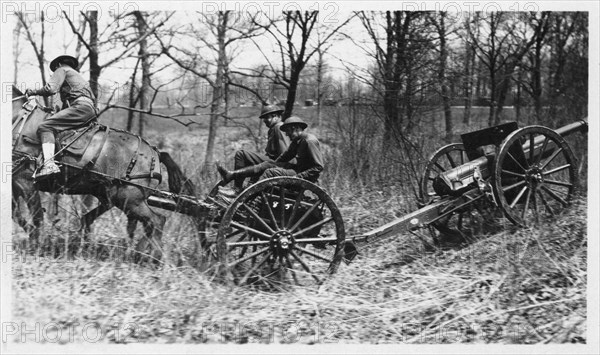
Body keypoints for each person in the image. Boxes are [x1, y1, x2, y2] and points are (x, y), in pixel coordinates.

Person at [24, 55, 97, 178]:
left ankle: (49, 165)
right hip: (89, 109)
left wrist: (32, 92)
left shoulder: (62, 69)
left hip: (80, 107)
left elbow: (50, 89)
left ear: (58, 65)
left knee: (45, 127)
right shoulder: (77, 78)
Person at [217, 116, 324, 186]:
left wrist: (298, 177)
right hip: (298, 171)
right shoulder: (297, 140)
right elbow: (286, 156)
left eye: (287, 132)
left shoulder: (309, 141)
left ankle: (246, 197)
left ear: (295, 128)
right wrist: (273, 163)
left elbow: (318, 167)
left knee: (271, 172)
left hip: (303, 176)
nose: (286, 134)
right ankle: (231, 175)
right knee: (268, 165)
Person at [216, 104, 289, 193]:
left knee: (241, 154)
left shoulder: (279, 127)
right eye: (264, 118)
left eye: (267, 118)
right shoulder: (273, 129)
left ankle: (236, 187)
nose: (265, 121)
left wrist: (267, 164)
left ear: (276, 116)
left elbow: (284, 153)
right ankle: (237, 183)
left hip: (278, 164)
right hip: (272, 161)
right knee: (246, 157)